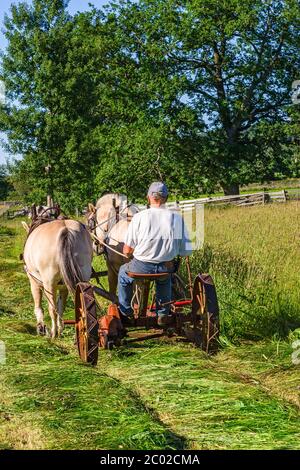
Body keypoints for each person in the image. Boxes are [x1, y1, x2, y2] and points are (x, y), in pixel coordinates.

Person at [118, 182, 192, 326]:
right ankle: (163, 313)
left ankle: (126, 312)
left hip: (141, 267)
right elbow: (185, 251)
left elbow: (127, 251)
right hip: (165, 267)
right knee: (164, 279)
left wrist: (130, 254)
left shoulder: (139, 217)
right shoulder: (177, 218)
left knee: (122, 273)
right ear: (166, 198)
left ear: (148, 197)